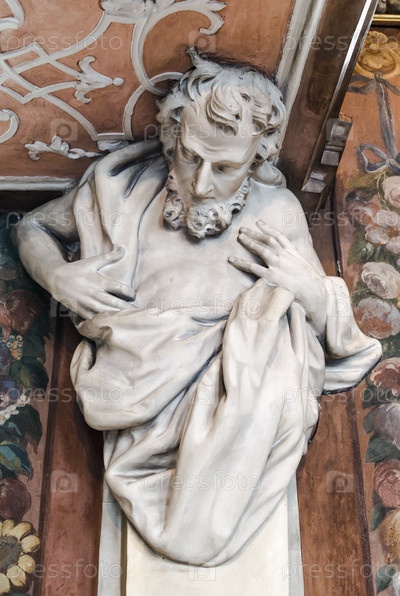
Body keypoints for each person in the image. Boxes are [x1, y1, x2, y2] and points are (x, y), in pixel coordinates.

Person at [14, 49, 381, 566]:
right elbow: (32, 227)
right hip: (135, 377)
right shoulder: (125, 188)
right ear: (172, 137)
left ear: (258, 157)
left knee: (271, 357)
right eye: (190, 156)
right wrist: (57, 275)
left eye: (226, 167)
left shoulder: (278, 210)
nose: (202, 183)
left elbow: (326, 330)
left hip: (237, 388)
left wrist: (314, 291)